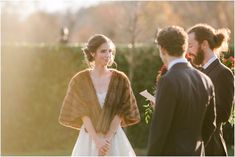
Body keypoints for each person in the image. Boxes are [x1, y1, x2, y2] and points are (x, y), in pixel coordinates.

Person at [58, 34, 140, 156]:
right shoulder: (80, 80)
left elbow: (121, 111)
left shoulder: (120, 80)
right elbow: (83, 113)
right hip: (88, 139)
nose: (108, 55)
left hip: (114, 140)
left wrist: (106, 140)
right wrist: (97, 141)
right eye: (103, 51)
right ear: (92, 53)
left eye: (110, 51)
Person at [147, 26, 216, 155]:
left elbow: (159, 130)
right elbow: (210, 125)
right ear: (184, 47)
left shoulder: (167, 80)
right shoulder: (206, 80)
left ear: (162, 49)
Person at [187, 23, 234, 156]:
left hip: (212, 147)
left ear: (204, 44)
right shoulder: (199, 72)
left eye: (190, 46)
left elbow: (224, 114)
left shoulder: (223, 73)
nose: (188, 52)